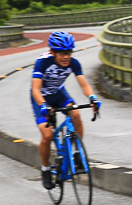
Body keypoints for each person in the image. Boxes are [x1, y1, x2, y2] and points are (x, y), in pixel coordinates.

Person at [31, 31, 101, 188]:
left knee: (76, 114)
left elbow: (84, 85)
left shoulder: (74, 63)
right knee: (47, 135)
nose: (66, 57)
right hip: (41, 98)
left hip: (58, 94)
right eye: (62, 53)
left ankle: (77, 153)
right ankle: (45, 169)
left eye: (68, 53)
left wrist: (92, 98)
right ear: (52, 52)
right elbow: (35, 89)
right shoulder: (42, 63)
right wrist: (43, 105)